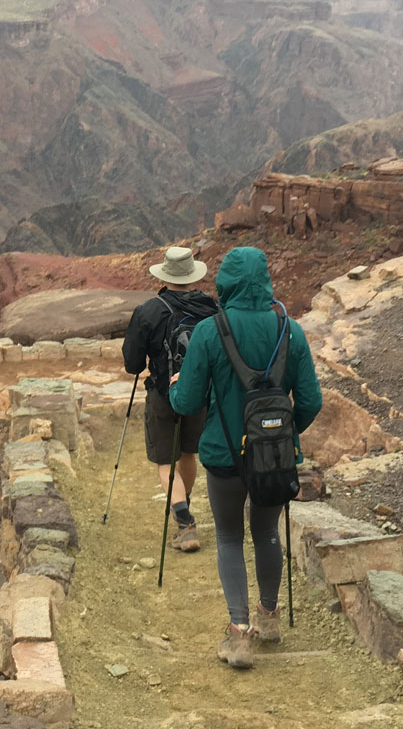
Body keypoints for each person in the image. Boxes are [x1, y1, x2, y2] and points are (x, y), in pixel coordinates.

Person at [169, 246, 322, 670]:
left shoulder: (209, 331)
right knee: (268, 532)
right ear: (265, 279)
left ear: (226, 283)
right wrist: (281, 438)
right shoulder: (291, 330)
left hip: (222, 456)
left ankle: (239, 636)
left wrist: (176, 384)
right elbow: (310, 400)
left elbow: (186, 402)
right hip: (274, 458)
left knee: (230, 538)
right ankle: (269, 619)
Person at [123, 245, 218, 552]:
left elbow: (132, 364)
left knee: (166, 461)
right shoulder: (211, 308)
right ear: (193, 276)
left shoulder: (149, 311)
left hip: (163, 396)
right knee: (189, 453)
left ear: (164, 275)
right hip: (198, 394)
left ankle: (184, 522)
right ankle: (183, 508)